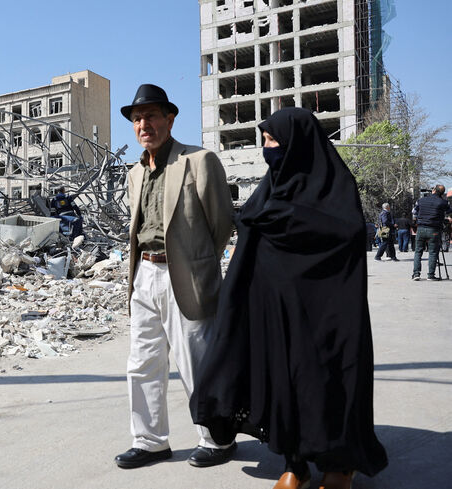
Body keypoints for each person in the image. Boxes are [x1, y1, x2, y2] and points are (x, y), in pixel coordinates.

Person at [190, 108, 388, 489]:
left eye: (272, 141)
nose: (267, 149)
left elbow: (346, 235)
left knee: (328, 381)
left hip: (326, 312)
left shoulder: (335, 185)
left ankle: (339, 465)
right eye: (264, 141)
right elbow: (250, 236)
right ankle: (295, 462)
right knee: (285, 380)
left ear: (297, 142)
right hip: (277, 311)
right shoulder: (269, 189)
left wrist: (291, 224)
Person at [114, 84, 234, 470]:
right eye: (137, 119)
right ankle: (150, 441)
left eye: (150, 116)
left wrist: (196, 263)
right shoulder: (135, 172)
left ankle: (216, 439)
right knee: (143, 363)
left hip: (185, 273)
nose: (143, 124)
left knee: (195, 360)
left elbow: (221, 225)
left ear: (169, 118)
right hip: (143, 274)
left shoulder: (198, 160)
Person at [411, 184, 452, 281]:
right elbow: (449, 210)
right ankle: (431, 275)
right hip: (434, 229)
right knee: (433, 252)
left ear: (434, 190)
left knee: (418, 252)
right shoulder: (443, 202)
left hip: (421, 228)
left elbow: (414, 212)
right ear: (442, 193)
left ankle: (416, 274)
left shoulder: (421, 200)